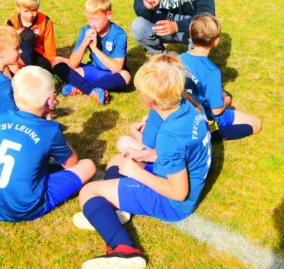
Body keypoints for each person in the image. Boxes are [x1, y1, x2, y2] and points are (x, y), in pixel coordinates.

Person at [73, 57, 212, 268]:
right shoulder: (190, 106)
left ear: (149, 102)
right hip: (172, 174)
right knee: (117, 160)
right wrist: (146, 156)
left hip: (174, 204)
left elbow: (178, 193)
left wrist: (136, 172)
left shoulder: (169, 136)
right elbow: (183, 154)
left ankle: (125, 251)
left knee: (88, 192)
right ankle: (116, 210)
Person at [0, 66, 96, 222]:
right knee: (88, 165)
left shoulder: (1, 117)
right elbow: (71, 163)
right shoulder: (49, 130)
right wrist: (52, 126)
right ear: (49, 101)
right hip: (23, 208)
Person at [180, 13, 262, 141]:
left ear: (190, 34)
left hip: (182, 114)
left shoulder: (178, 60)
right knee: (256, 124)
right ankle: (210, 135)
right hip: (204, 117)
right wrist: (227, 100)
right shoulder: (211, 70)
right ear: (216, 40)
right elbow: (217, 110)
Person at [52, 0, 131, 106]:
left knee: (126, 76)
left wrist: (94, 48)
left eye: (96, 19)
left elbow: (117, 67)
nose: (92, 23)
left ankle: (80, 87)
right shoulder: (86, 30)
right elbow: (73, 63)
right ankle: (91, 89)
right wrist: (84, 43)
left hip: (112, 74)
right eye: (89, 18)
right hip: (93, 69)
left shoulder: (119, 34)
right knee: (56, 62)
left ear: (109, 15)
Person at [7, 0, 56, 72]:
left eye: (34, 10)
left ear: (38, 6)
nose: (30, 15)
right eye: (26, 11)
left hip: (39, 58)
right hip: (19, 60)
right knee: (27, 34)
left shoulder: (46, 21)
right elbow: (8, 48)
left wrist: (51, 65)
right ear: (17, 6)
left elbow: (50, 50)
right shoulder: (11, 23)